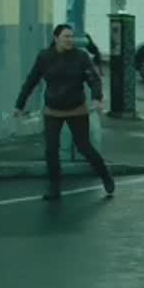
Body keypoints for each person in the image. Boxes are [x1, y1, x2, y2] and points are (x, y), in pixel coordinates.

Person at [15, 23, 115, 201]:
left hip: (76, 109)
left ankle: (105, 176)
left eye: (71, 37)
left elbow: (93, 79)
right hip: (53, 111)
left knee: (84, 147)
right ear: (56, 38)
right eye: (66, 37)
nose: (70, 40)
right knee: (51, 150)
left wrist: (96, 97)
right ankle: (54, 188)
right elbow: (31, 81)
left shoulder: (80, 56)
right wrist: (20, 104)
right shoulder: (45, 57)